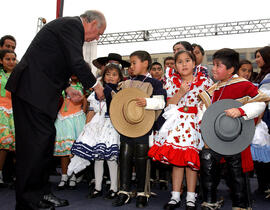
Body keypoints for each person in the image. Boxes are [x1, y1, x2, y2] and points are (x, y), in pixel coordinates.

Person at [5, 10, 106, 210]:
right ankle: (27, 200)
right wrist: (96, 85)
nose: (97, 38)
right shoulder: (72, 26)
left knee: (43, 143)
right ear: (92, 23)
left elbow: (54, 62)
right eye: (99, 33)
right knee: (32, 146)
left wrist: (67, 87)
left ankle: (41, 193)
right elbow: (75, 61)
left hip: (38, 92)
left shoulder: (68, 28)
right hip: (31, 91)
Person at [198, 48, 270, 210]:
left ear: (230, 70)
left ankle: (241, 203)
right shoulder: (214, 89)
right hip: (216, 138)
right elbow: (205, 111)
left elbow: (260, 103)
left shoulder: (243, 85)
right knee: (207, 156)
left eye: (218, 65)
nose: (213, 69)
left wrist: (241, 111)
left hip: (236, 138)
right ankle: (210, 200)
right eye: (213, 65)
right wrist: (202, 114)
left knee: (235, 164)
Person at [148, 50, 213, 210]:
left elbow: (210, 103)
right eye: (180, 62)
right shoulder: (170, 81)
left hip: (195, 123)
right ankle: (175, 196)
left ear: (194, 63)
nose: (184, 64)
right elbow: (168, 103)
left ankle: (191, 197)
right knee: (177, 162)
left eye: (187, 60)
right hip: (177, 123)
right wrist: (181, 92)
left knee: (191, 162)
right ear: (175, 66)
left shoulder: (205, 82)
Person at [106, 50, 166, 208]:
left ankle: (142, 192)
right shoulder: (126, 83)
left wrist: (148, 102)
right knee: (124, 155)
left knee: (141, 158)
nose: (131, 66)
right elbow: (117, 101)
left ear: (145, 63)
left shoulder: (155, 83)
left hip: (144, 126)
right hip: (126, 126)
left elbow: (161, 103)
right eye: (130, 63)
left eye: (134, 63)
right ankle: (124, 191)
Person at [68, 63, 123, 200]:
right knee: (98, 158)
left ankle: (113, 188)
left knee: (111, 158)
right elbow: (91, 111)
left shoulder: (120, 92)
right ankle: (98, 187)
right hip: (97, 125)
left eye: (114, 75)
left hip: (111, 125)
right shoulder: (96, 92)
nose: (110, 77)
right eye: (108, 74)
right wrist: (86, 127)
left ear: (120, 77)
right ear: (103, 77)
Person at [54, 75, 87, 190]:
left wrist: (83, 115)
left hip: (76, 119)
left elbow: (85, 103)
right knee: (64, 149)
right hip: (62, 118)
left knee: (74, 149)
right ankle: (64, 176)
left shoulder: (83, 86)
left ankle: (73, 175)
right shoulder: (63, 84)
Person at [251, 46, 270, 198]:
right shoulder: (263, 75)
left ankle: (266, 187)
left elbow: (264, 100)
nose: (257, 59)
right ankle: (264, 186)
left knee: (264, 156)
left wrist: (257, 120)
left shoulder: (268, 76)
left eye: (259, 56)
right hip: (262, 119)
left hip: (265, 120)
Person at [0, 49, 16, 187]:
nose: (11, 62)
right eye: (7, 59)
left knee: (12, 146)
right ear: (1, 61)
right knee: (2, 145)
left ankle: (15, 175)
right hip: (1, 113)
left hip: (15, 113)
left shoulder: (19, 75)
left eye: (13, 59)